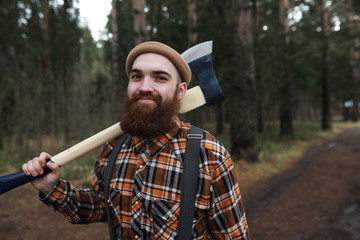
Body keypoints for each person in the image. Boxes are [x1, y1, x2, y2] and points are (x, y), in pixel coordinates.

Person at [22, 41, 250, 239]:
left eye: (160, 78)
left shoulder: (209, 154)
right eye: (136, 76)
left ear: (181, 91)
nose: (144, 87)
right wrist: (52, 189)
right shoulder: (113, 148)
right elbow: (101, 207)